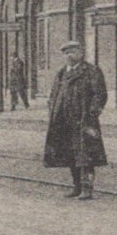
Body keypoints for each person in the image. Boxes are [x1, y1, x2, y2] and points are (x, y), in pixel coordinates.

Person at [44, 40, 108, 200]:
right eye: (66, 53)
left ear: (81, 53)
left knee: (86, 156)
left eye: (72, 52)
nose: (69, 55)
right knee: (70, 154)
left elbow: (100, 95)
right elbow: (54, 94)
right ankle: (76, 187)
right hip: (64, 121)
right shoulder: (61, 73)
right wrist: (53, 110)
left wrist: (92, 114)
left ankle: (87, 189)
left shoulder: (91, 71)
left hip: (84, 121)